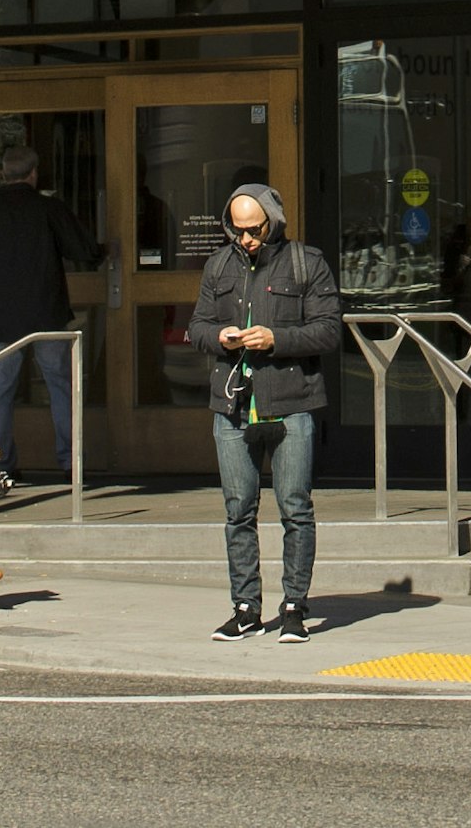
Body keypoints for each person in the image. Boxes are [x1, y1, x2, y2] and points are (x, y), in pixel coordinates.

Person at [187, 182, 340, 644]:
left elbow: (329, 330)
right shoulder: (219, 264)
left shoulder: (305, 262)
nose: (247, 239)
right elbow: (197, 326)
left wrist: (277, 339)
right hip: (233, 404)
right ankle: (245, 608)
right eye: (238, 230)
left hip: (292, 401)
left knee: (295, 507)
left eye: (255, 229)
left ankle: (294, 606)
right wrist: (221, 338)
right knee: (238, 511)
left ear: (273, 221)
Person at [0, 145, 95, 486]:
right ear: (33, 174)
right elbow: (82, 250)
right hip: (47, 314)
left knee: (0, 392)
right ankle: (72, 465)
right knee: (61, 388)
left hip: (1, 317)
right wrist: (105, 251)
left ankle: (1, 466)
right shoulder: (48, 208)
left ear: (3, 174)